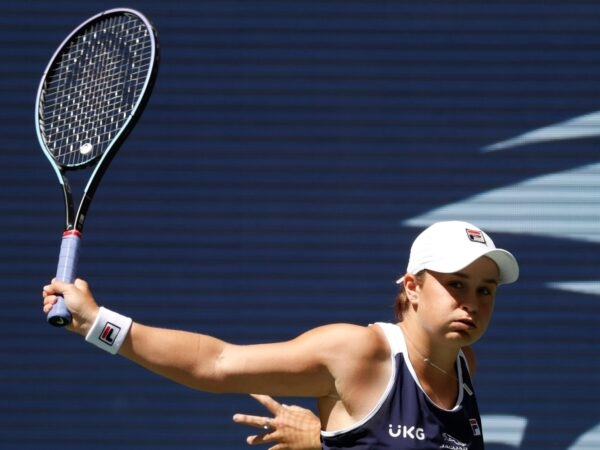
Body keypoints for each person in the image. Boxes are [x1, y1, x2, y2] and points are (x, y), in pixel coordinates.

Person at [42, 220, 519, 449]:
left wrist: (327, 443)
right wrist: (100, 324)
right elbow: (217, 363)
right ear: (412, 288)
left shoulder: (462, 366)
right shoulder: (359, 352)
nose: (472, 303)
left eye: (486, 290)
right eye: (455, 285)